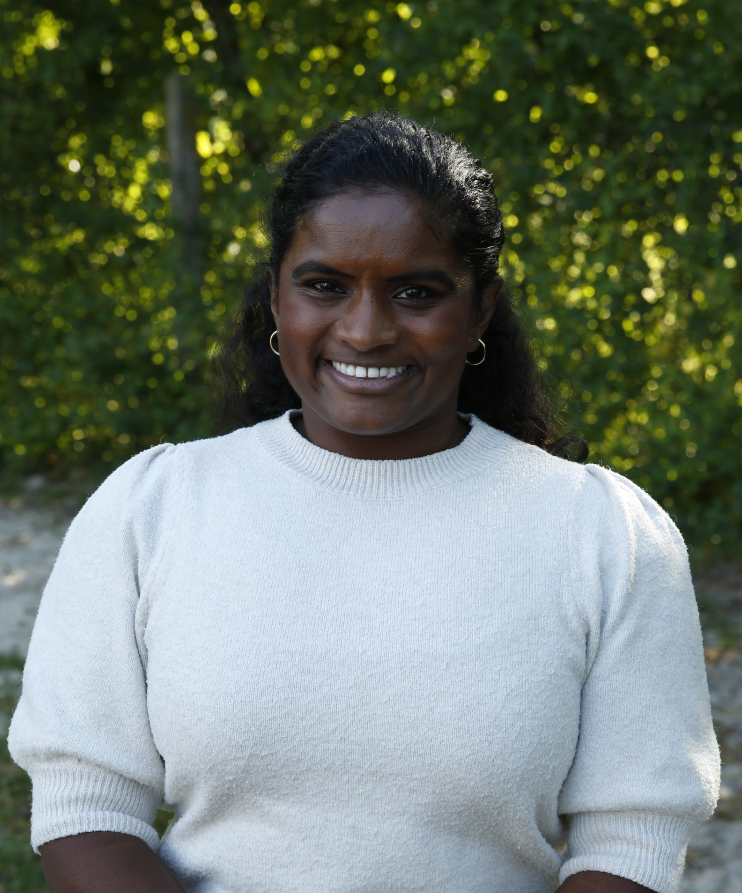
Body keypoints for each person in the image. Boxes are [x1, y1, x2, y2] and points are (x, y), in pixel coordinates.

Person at [9, 112, 719, 893]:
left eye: (416, 292)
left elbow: (633, 835)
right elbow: (86, 803)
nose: (366, 329)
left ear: (481, 308)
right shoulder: (151, 509)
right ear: (275, 293)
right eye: (325, 286)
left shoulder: (607, 534)